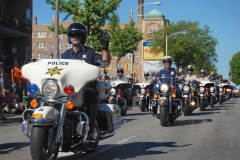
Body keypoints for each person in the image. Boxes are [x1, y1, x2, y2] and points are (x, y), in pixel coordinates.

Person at [61, 22, 110, 140]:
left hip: (85, 89)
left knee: (92, 94)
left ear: (83, 37)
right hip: (68, 90)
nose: (75, 37)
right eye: (72, 34)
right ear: (69, 37)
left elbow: (105, 63)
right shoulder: (65, 55)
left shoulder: (90, 53)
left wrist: (105, 48)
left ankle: (91, 128)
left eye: (78, 34)